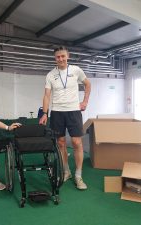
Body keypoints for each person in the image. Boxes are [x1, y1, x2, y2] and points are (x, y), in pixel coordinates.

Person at [39, 46, 91, 190]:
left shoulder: (76, 70)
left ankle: (78, 176)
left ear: (67, 56)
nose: (60, 59)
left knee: (76, 142)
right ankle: (66, 171)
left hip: (73, 111)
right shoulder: (50, 75)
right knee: (60, 143)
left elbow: (87, 84)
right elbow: (47, 95)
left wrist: (85, 101)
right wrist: (44, 113)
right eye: (57, 57)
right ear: (55, 58)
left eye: (63, 56)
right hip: (57, 112)